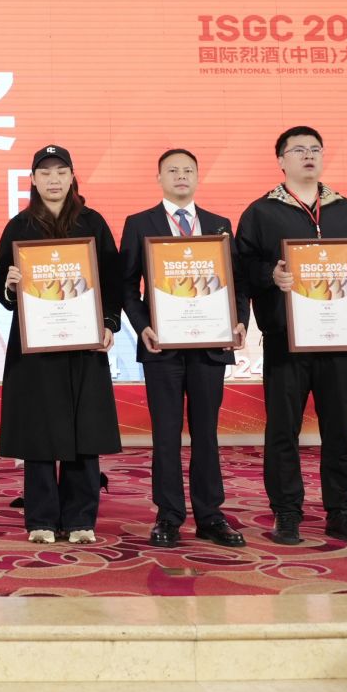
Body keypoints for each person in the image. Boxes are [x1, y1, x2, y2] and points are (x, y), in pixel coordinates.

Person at [237, 125, 347, 547]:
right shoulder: (261, 212)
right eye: (298, 149)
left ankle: (342, 512)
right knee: (282, 430)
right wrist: (270, 274)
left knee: (341, 431)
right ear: (280, 160)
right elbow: (241, 268)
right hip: (287, 341)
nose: (308, 155)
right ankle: (287, 513)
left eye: (315, 149)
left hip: (339, 341)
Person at [0, 144, 122, 545]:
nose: (54, 180)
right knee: (39, 431)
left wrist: (109, 322)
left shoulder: (92, 222)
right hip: (35, 346)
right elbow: (1, 286)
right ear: (33, 180)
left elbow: (112, 279)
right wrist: (9, 286)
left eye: (61, 172)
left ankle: (81, 518)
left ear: (72, 177)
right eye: (45, 173)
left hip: (83, 343)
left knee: (85, 430)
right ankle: (42, 519)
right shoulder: (19, 226)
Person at [119, 148, 246, 549]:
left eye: (188, 170)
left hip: (210, 344)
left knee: (206, 433)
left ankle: (210, 515)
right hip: (163, 347)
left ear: (197, 176)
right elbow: (127, 284)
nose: (181, 176)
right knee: (166, 434)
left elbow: (236, 280)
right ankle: (169, 516)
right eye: (172, 170)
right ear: (159, 178)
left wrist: (239, 319)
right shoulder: (139, 223)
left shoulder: (219, 224)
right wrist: (142, 326)